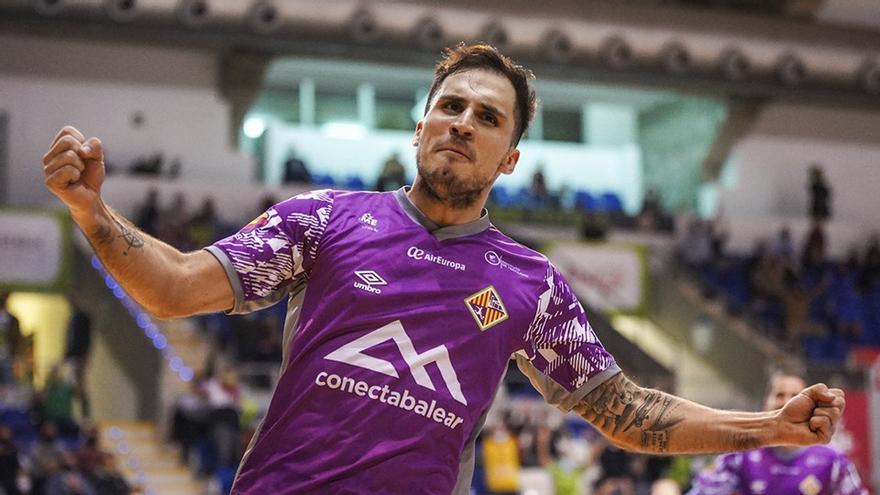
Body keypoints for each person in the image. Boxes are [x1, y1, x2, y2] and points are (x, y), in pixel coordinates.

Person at [41, 43, 845, 494]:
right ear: (420, 124)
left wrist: (766, 425)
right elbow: (175, 288)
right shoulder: (325, 220)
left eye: (487, 117)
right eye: (451, 107)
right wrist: (91, 211)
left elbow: (623, 408)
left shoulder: (532, 283)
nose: (463, 123)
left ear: (511, 155)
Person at [688, 368, 867, 494]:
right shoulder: (741, 453)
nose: (787, 403)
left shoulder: (832, 458)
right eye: (779, 395)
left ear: (812, 407)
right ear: (766, 403)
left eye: (796, 396)